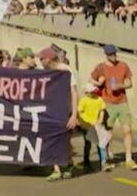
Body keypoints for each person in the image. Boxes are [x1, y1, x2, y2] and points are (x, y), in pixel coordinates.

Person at [91, 44, 137, 170]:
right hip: (107, 103)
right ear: (106, 55)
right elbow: (91, 80)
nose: (113, 56)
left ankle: (129, 158)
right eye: (110, 54)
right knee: (108, 132)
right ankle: (106, 157)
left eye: (114, 53)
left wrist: (121, 86)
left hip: (122, 102)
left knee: (127, 130)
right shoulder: (100, 68)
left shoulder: (123, 66)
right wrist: (98, 82)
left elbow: (130, 83)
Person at [38, 47, 78, 181]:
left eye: (42, 58)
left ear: (49, 58)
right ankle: (56, 169)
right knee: (51, 138)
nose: (40, 60)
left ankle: (68, 164)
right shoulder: (43, 72)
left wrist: (74, 115)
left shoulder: (66, 70)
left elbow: (74, 92)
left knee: (65, 140)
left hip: (64, 110)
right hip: (50, 110)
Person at [78, 82, 112, 172]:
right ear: (87, 93)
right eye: (92, 92)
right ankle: (86, 161)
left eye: (94, 91)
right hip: (87, 126)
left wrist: (100, 120)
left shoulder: (99, 100)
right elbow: (80, 113)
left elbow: (102, 110)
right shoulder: (83, 101)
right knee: (88, 144)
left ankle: (103, 162)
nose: (94, 93)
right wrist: (86, 122)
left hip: (97, 125)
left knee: (101, 144)